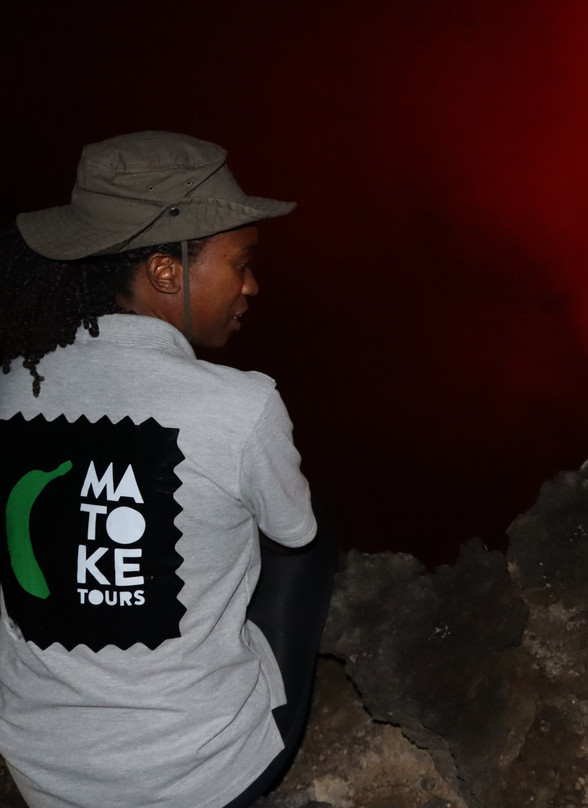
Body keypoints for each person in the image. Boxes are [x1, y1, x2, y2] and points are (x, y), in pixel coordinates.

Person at [0, 131, 336, 808]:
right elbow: (293, 534)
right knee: (309, 536)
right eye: (240, 263)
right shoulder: (240, 405)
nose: (251, 286)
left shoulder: (11, 384)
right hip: (196, 780)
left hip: (43, 772)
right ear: (165, 272)